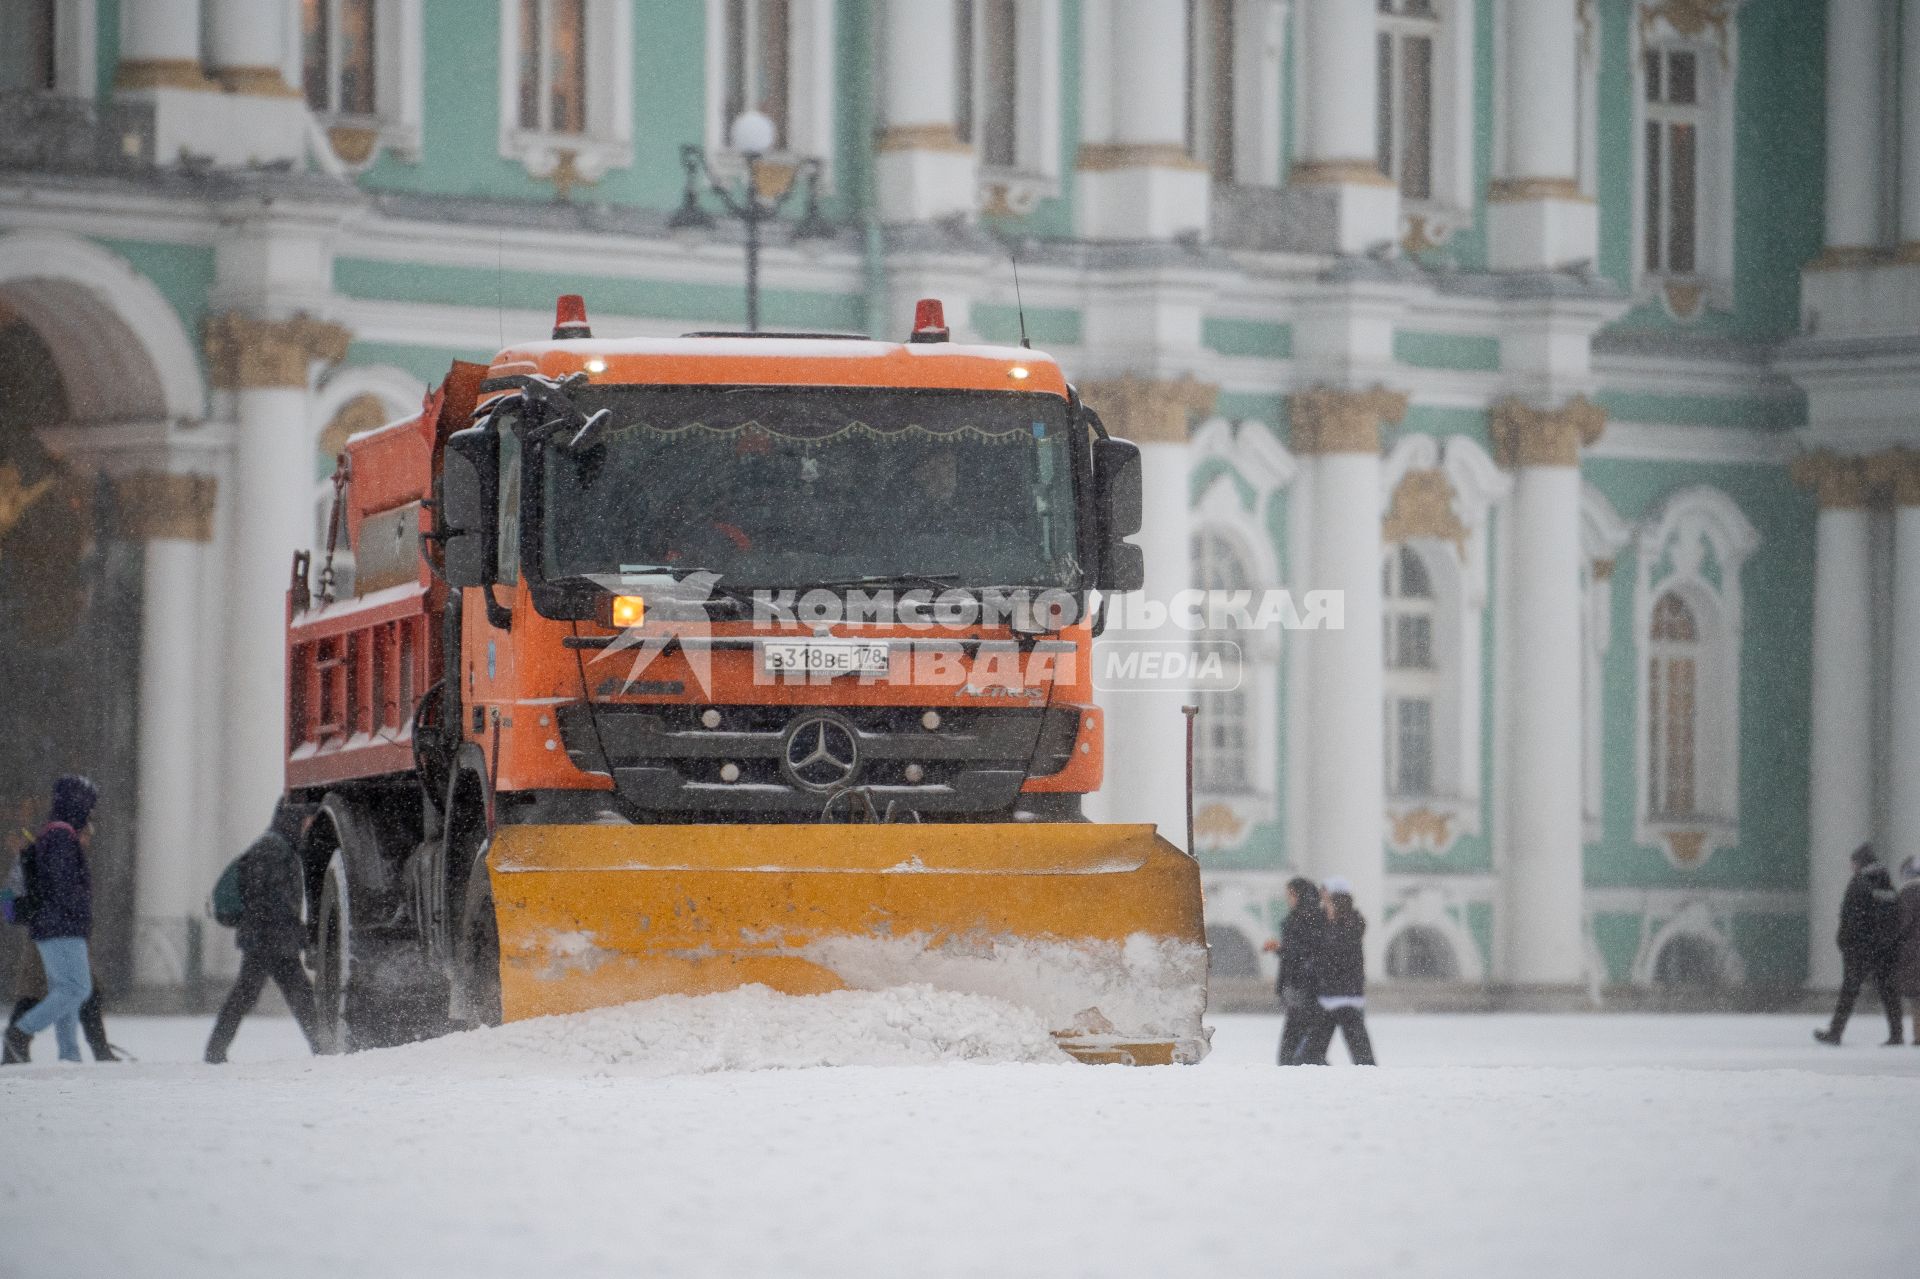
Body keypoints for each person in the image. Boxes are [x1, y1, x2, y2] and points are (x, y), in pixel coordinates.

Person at [204, 802, 321, 1064]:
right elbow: (271, 899)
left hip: (267, 937)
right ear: (295, 821)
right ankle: (322, 1048)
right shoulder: (273, 849)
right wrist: (294, 929)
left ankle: (215, 1050)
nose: (307, 828)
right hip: (268, 938)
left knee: (261, 995)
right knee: (289, 995)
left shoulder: (276, 846)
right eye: (306, 822)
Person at [3, 776, 99, 1064]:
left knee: (64, 990)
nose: (90, 813)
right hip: (61, 925)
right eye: (88, 805)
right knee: (77, 989)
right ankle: (20, 1032)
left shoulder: (54, 835)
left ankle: (69, 1054)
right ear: (77, 804)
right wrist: (77, 913)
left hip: (51, 925)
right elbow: (61, 886)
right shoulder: (60, 838)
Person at [1814, 844, 1902, 1046]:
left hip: (1860, 948)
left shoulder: (1860, 883)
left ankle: (1836, 1032)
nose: (1851, 866)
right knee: (1888, 991)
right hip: (1885, 947)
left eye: (1853, 862)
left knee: (1849, 992)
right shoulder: (1886, 883)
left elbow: (1852, 917)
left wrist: (1845, 941)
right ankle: (1896, 1034)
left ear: (1860, 863)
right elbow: (1895, 916)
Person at [1300, 878, 1376, 1066]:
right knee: (1311, 1056)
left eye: (1325, 891)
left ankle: (1367, 1082)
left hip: (1344, 995)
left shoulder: (1348, 924)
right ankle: (1329, 1080)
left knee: (1362, 1057)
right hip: (1331, 995)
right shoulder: (1328, 922)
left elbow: (1336, 956)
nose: (1321, 895)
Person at [5, 944, 117, 1063]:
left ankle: (79, 1053)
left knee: (78, 990)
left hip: (65, 934)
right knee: (66, 989)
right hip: (56, 935)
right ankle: (18, 1035)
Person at [1263, 876, 1326, 1066]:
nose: (1287, 899)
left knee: (1291, 1052)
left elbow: (1304, 953)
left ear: (1299, 895)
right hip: (1305, 989)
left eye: (1290, 895)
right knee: (1304, 1049)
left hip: (1304, 989)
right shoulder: (1312, 918)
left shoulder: (1304, 919)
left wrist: (1281, 949)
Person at [1895, 855, 1920, 1048]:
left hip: (1913, 951)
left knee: (1916, 998)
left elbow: (1902, 923)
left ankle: (1919, 1035)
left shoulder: (1909, 892)